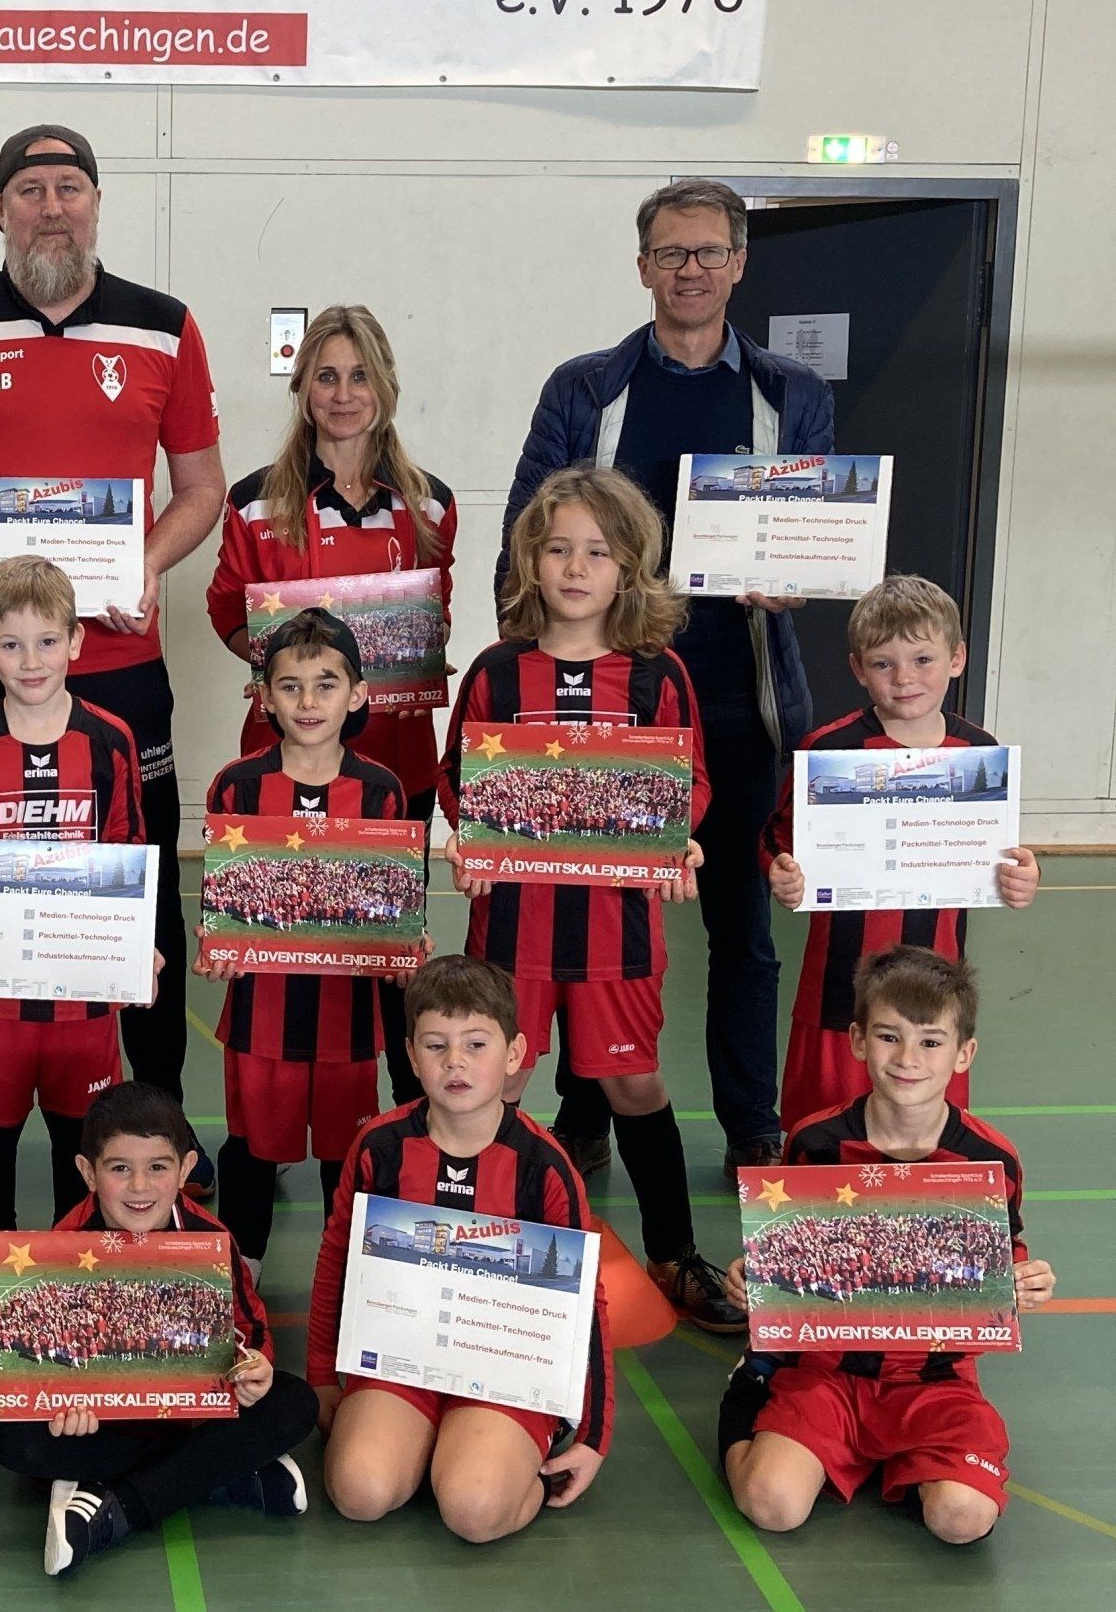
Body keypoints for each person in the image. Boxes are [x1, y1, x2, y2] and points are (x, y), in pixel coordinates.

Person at [0, 125, 225, 1173]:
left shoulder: (165, 327)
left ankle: (157, 1116)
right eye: (31, 189)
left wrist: (146, 561)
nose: (53, 205)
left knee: (140, 883)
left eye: (71, 186)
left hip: (119, 668)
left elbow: (201, 486)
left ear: (97, 202)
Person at [497, 177, 833, 1180]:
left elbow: (817, 533)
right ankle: (586, 1109)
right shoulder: (585, 388)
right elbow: (524, 533)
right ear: (643, 266)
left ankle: (751, 1118)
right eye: (672, 253)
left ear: (739, 263)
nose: (691, 270)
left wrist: (796, 578)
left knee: (743, 927)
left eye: (709, 251)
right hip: (607, 708)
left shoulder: (792, 393)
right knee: (586, 919)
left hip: (741, 699)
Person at [442, 468, 742, 1332]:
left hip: (618, 930)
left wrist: (678, 837)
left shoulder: (657, 676)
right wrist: (470, 841)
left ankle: (673, 1252)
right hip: (514, 929)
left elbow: (689, 781)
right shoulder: (498, 672)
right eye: (559, 549)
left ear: (629, 568)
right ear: (531, 561)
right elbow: (461, 778)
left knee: (634, 1083)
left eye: (598, 552)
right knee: (494, 1084)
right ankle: (472, 1251)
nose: (576, 568)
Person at [717, 945, 1055, 1544]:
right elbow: (790, 1252)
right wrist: (755, 1277)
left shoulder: (990, 1159)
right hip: (828, 1373)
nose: (907, 1059)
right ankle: (753, 1386)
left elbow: (1004, 1257)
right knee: (772, 1504)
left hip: (935, 1381)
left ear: (963, 1053)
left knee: (962, 1519)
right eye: (888, 1036)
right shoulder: (816, 1142)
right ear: (857, 1040)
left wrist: (1024, 1282)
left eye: (931, 1042)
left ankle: (905, 1455)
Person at [206, 304, 456, 1104]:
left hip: (395, 766)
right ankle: (272, 1123)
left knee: (388, 952)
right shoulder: (254, 502)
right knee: (286, 941)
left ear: (385, 385)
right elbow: (226, 608)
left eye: (359, 376)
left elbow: (437, 611)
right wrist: (282, 672)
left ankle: (407, 1111)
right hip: (285, 763)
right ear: (303, 388)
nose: (344, 394)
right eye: (326, 376)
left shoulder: (430, 503)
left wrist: (412, 653)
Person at [309, 957, 611, 1542]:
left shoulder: (546, 1169)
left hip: (507, 1373)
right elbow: (336, 1260)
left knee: (473, 1512)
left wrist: (595, 1434)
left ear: (515, 1053)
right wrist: (323, 1373)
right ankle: (432, 1444)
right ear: (410, 1054)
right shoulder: (379, 1147)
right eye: (436, 1045)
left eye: (476, 1044)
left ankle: (489, 1461)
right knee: (357, 1492)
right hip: (402, 1360)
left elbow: (587, 1304)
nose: (455, 1062)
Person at [0, 557, 150, 1328]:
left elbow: (130, 849)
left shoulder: (110, 739)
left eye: (47, 641)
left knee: (75, 1140)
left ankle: (63, 1264)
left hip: (83, 991)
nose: (31, 660)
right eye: (12, 644)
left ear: (76, 641)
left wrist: (136, 944)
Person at [0, 1081, 319, 1577]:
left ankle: (113, 1507)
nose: (140, 1187)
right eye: (120, 1168)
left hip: (190, 1414)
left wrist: (255, 1367)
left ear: (186, 1169)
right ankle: (217, 1474)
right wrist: (61, 1405)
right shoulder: (58, 1250)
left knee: (294, 1404)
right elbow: (36, 1365)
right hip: (107, 1424)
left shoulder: (211, 1239)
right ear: (88, 1173)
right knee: (12, 1438)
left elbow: (249, 1330)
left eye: (158, 1168)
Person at [763, 575, 1039, 1130]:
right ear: (858, 669)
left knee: (923, 1131)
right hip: (838, 990)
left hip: (936, 991)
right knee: (824, 1128)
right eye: (883, 664)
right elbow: (776, 838)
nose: (904, 678)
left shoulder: (979, 753)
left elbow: (1001, 854)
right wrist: (781, 870)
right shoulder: (829, 750)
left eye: (922, 659)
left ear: (957, 658)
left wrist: (1022, 875)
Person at [195, 607, 423, 1271]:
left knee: (344, 1153)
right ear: (264, 696)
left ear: (357, 694)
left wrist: (406, 945)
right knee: (252, 1146)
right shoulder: (237, 786)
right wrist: (214, 942)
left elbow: (396, 904)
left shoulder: (381, 791)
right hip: (260, 1016)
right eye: (290, 686)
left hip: (348, 1021)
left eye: (326, 685)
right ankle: (244, 1269)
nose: (308, 702)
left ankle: (348, 1270)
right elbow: (221, 902)